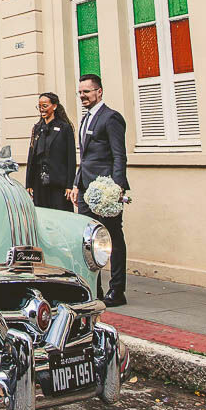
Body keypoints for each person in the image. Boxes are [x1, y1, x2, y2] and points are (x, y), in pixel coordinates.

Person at [67, 73, 129, 306]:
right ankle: (95, 287)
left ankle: (117, 289)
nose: (82, 96)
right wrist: (75, 184)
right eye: (80, 92)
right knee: (87, 239)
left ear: (99, 92)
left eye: (87, 91)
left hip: (105, 190)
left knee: (113, 237)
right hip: (85, 189)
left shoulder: (111, 118)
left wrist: (116, 189)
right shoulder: (85, 119)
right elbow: (84, 158)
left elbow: (119, 156)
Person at [25, 92, 76, 211]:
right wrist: (29, 183)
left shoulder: (64, 128)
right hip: (39, 182)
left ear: (54, 106)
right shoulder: (37, 128)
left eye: (45, 106)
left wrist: (70, 185)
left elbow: (71, 158)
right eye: (39, 106)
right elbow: (31, 157)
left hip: (58, 182)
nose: (42, 109)